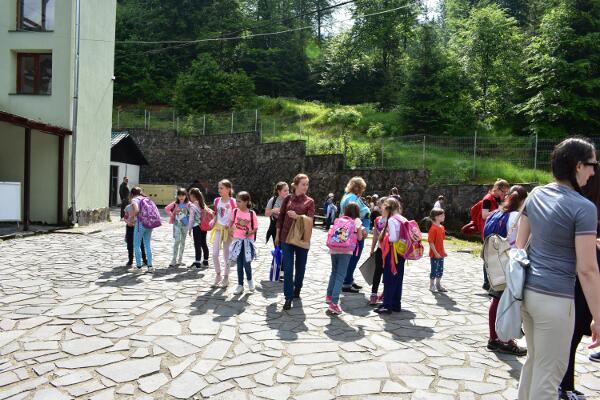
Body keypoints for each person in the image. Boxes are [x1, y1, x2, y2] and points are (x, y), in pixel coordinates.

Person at [516, 138, 600, 399]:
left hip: (528, 293)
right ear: (578, 166)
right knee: (549, 375)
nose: (593, 172)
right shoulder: (584, 208)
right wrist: (599, 317)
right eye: (592, 164)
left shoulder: (536, 194)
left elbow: (520, 246)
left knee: (534, 364)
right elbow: (587, 269)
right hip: (556, 300)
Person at [559, 172, 600, 399]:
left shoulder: (576, 205)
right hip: (582, 280)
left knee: (570, 336)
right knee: (571, 336)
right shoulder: (587, 209)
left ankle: (564, 385)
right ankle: (563, 387)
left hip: (570, 279)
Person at [483, 185, 528, 356]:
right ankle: (505, 340)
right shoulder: (517, 217)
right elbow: (522, 242)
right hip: (509, 264)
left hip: (494, 262)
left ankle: (494, 338)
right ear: (523, 201)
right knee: (507, 303)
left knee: (495, 299)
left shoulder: (495, 214)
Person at [275, 174, 315, 311]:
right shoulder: (287, 199)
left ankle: (297, 288)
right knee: (287, 268)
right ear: (296, 185)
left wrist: (298, 217)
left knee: (300, 267)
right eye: (303, 184)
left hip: (302, 239)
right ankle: (288, 297)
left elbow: (310, 220)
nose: (305, 187)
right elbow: (280, 218)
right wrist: (277, 235)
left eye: (307, 184)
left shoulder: (310, 201)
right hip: (286, 237)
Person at [325, 203, 367, 315]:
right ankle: (334, 303)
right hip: (346, 251)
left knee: (334, 273)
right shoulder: (357, 221)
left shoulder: (339, 219)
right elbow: (360, 238)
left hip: (334, 249)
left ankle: (329, 296)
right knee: (340, 276)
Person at [374, 197, 405, 314]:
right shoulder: (402, 218)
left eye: (383, 208)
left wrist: (386, 235)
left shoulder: (392, 220)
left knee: (389, 278)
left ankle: (387, 305)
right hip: (401, 252)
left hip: (392, 253)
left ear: (388, 208)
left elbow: (393, 238)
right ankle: (396, 304)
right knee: (398, 279)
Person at [340, 177, 371, 293]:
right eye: (362, 188)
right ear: (358, 187)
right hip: (355, 231)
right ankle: (347, 282)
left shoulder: (346, 196)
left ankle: (349, 279)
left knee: (350, 257)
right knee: (354, 257)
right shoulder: (353, 198)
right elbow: (355, 215)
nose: (363, 190)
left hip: (348, 230)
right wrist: (363, 228)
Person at [481, 179, 510, 290]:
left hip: (495, 231)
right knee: (488, 257)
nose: (504, 195)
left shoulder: (498, 198)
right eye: (503, 192)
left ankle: (494, 280)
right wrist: (498, 210)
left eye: (506, 193)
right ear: (497, 189)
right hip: (488, 231)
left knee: (495, 256)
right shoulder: (487, 199)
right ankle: (487, 282)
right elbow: (484, 215)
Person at [229, 191, 259, 296]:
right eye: (236, 201)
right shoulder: (235, 211)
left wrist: (250, 232)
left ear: (246, 202)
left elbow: (255, 228)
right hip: (237, 241)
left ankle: (250, 281)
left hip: (247, 242)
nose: (237, 203)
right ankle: (240, 285)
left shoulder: (251, 213)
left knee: (247, 263)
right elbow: (231, 222)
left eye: (239, 201)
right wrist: (229, 229)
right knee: (239, 264)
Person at [210, 180, 237, 288]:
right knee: (214, 254)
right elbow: (216, 214)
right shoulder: (217, 200)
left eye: (221, 188)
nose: (219, 190)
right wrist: (213, 220)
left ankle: (226, 277)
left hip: (228, 231)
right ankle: (218, 275)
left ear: (228, 189)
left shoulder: (233, 202)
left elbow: (235, 217)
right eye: (218, 188)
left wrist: (230, 224)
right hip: (218, 229)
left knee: (226, 255)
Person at [130, 187, 154, 272]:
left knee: (137, 244)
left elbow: (136, 210)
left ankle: (139, 267)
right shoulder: (146, 199)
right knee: (147, 244)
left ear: (132, 194)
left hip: (140, 224)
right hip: (150, 224)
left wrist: (131, 217)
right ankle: (150, 266)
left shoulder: (134, 199)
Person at [368, 196, 387, 305]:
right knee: (377, 272)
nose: (379, 209)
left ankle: (385, 292)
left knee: (387, 272)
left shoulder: (391, 220)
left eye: (381, 207)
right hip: (380, 249)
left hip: (389, 251)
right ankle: (374, 294)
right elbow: (375, 236)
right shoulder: (377, 220)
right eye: (378, 207)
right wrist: (372, 248)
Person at [165, 188, 189, 267]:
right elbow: (166, 209)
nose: (181, 197)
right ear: (177, 196)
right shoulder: (175, 203)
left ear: (186, 195)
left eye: (183, 195)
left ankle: (180, 260)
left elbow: (193, 212)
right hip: (177, 224)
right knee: (177, 241)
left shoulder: (188, 204)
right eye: (179, 195)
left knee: (183, 242)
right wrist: (172, 215)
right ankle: (173, 260)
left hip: (185, 225)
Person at [188, 188, 211, 269]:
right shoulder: (203, 204)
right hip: (203, 226)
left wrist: (189, 228)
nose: (189, 197)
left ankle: (197, 263)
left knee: (197, 244)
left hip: (196, 227)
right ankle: (205, 261)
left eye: (190, 195)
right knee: (204, 243)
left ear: (193, 196)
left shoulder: (192, 206)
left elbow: (191, 219)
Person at [427, 208, 447, 293]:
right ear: (436, 217)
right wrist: (435, 253)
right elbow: (431, 242)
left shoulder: (442, 227)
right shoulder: (433, 229)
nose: (444, 216)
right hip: (434, 254)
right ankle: (432, 285)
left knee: (440, 270)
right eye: (442, 215)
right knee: (434, 270)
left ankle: (438, 285)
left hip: (441, 254)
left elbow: (441, 241)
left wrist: (443, 251)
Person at [123, 196, 146, 267]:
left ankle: (144, 259)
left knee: (141, 243)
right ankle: (130, 260)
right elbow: (125, 217)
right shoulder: (128, 207)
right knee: (130, 244)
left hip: (138, 227)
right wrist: (128, 222)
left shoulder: (141, 206)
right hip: (130, 228)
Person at [265, 182, 289, 246]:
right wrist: (273, 210)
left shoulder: (290, 200)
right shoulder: (273, 200)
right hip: (275, 228)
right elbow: (266, 214)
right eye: (285, 191)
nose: (287, 192)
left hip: (287, 228)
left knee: (286, 248)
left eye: (288, 190)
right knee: (277, 248)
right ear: (279, 191)